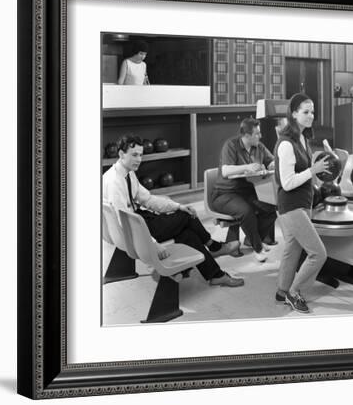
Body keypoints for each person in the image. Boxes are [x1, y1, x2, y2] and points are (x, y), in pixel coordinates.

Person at [103, 134, 244, 287]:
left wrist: (177, 206)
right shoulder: (114, 182)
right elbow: (124, 222)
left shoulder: (127, 173)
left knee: (187, 235)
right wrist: (152, 244)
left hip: (141, 221)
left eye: (141, 155)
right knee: (186, 216)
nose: (139, 159)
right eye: (134, 155)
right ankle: (214, 246)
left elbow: (148, 200)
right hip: (138, 231)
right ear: (121, 154)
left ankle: (216, 275)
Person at [273, 93, 333, 313]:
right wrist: (312, 170)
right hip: (291, 206)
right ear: (294, 113)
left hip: (303, 202)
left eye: (312, 111)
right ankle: (294, 292)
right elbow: (287, 183)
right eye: (306, 112)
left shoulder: (303, 138)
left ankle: (281, 292)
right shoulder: (286, 144)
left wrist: (319, 167)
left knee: (292, 248)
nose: (311, 116)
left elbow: (305, 171)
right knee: (318, 253)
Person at [211, 118, 278, 263]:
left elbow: (270, 160)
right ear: (246, 135)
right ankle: (258, 248)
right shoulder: (230, 145)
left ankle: (253, 239)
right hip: (224, 194)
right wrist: (247, 167)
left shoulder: (258, 146)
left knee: (271, 208)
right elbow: (226, 171)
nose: (260, 136)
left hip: (246, 192)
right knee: (246, 211)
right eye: (257, 134)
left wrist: (272, 165)